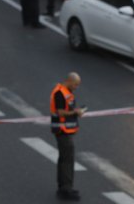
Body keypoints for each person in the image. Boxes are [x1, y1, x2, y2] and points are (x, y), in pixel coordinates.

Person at [50, 72, 85, 201]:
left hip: (66, 130)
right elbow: (60, 112)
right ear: (69, 81)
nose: (76, 87)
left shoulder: (65, 91)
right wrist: (74, 112)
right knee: (67, 160)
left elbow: (67, 109)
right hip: (62, 131)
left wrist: (75, 112)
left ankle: (63, 187)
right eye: (76, 84)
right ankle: (66, 189)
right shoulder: (60, 93)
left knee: (64, 159)